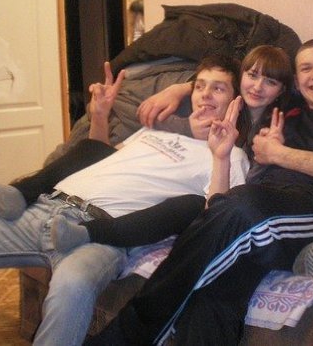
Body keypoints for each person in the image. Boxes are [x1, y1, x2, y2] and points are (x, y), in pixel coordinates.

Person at [86, 38, 313, 346]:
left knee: (240, 206)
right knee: (216, 291)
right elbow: (242, 75)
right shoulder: (283, 112)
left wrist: (279, 154)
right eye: (306, 68)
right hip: (255, 209)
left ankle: (125, 334)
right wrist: (181, 89)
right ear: (296, 80)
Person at [0, 54, 249, 346]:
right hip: (44, 208)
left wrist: (220, 155)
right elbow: (99, 155)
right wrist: (100, 116)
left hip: (100, 236)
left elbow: (214, 216)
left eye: (218, 88)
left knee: (72, 287)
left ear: (235, 101)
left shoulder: (230, 156)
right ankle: (18, 194)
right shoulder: (156, 131)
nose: (205, 95)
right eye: (200, 86)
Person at [51, 44, 294, 252]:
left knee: (190, 205)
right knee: (86, 150)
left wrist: (272, 154)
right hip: (76, 198)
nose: (257, 87)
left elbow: (221, 211)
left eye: (270, 81)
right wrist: (181, 90)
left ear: (281, 90)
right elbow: (102, 154)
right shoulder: (179, 121)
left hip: (179, 207)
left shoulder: (268, 132)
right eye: (252, 75)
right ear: (242, 77)